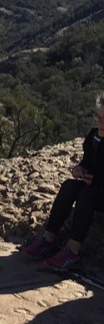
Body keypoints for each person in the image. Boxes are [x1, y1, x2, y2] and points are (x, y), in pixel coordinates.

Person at [22, 95, 104, 271]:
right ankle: (48, 240)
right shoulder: (93, 136)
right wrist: (80, 169)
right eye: (99, 117)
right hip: (93, 185)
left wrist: (96, 180)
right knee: (69, 186)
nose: (100, 122)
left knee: (86, 195)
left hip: (99, 190)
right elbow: (87, 161)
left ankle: (73, 252)